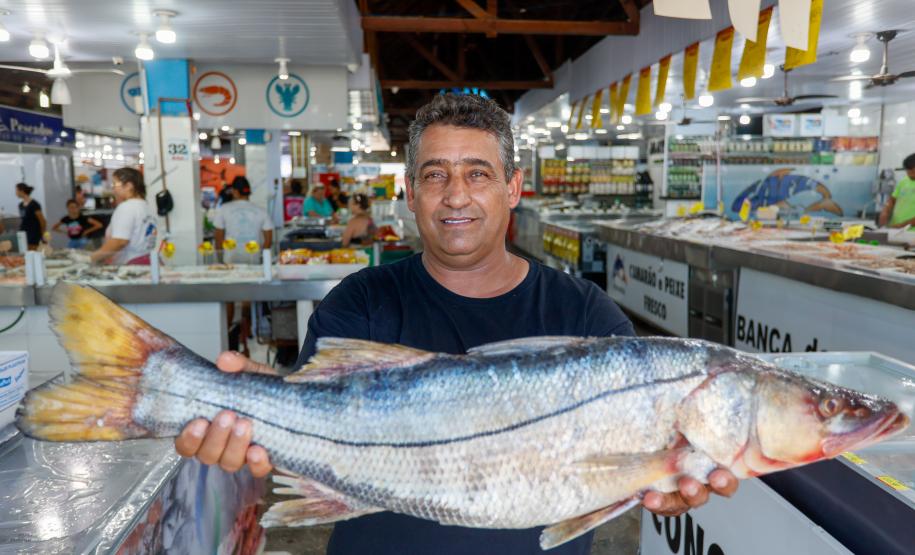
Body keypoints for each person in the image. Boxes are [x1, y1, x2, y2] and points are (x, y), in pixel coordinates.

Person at [174, 94, 738, 554]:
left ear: (513, 188)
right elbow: (306, 422)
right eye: (436, 175)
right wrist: (247, 420)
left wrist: (659, 482)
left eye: (478, 173)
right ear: (411, 194)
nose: (456, 195)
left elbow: (631, 465)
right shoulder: (361, 301)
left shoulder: (586, 314)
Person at [90, 167, 157, 265]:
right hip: (148, 260)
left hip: (131, 264)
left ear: (129, 186)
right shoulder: (146, 206)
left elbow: (120, 241)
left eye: (115, 184)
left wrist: (91, 258)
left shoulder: (127, 207)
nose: (113, 189)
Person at [213, 176, 273, 263]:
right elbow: (268, 240)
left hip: (230, 261)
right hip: (253, 260)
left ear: (235, 191)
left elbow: (218, 238)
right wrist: (262, 259)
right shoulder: (262, 211)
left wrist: (220, 260)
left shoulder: (223, 209)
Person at [879, 153, 915, 228]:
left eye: (912, 172)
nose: (910, 175)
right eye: (908, 171)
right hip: (896, 230)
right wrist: (885, 211)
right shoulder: (904, 181)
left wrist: (902, 225)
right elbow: (892, 199)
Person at [15, 183, 46, 251]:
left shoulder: (34, 204)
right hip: (23, 234)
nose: (16, 192)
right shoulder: (20, 205)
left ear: (22, 191)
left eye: (17, 190)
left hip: (33, 234)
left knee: (33, 252)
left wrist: (42, 233)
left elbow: (42, 220)